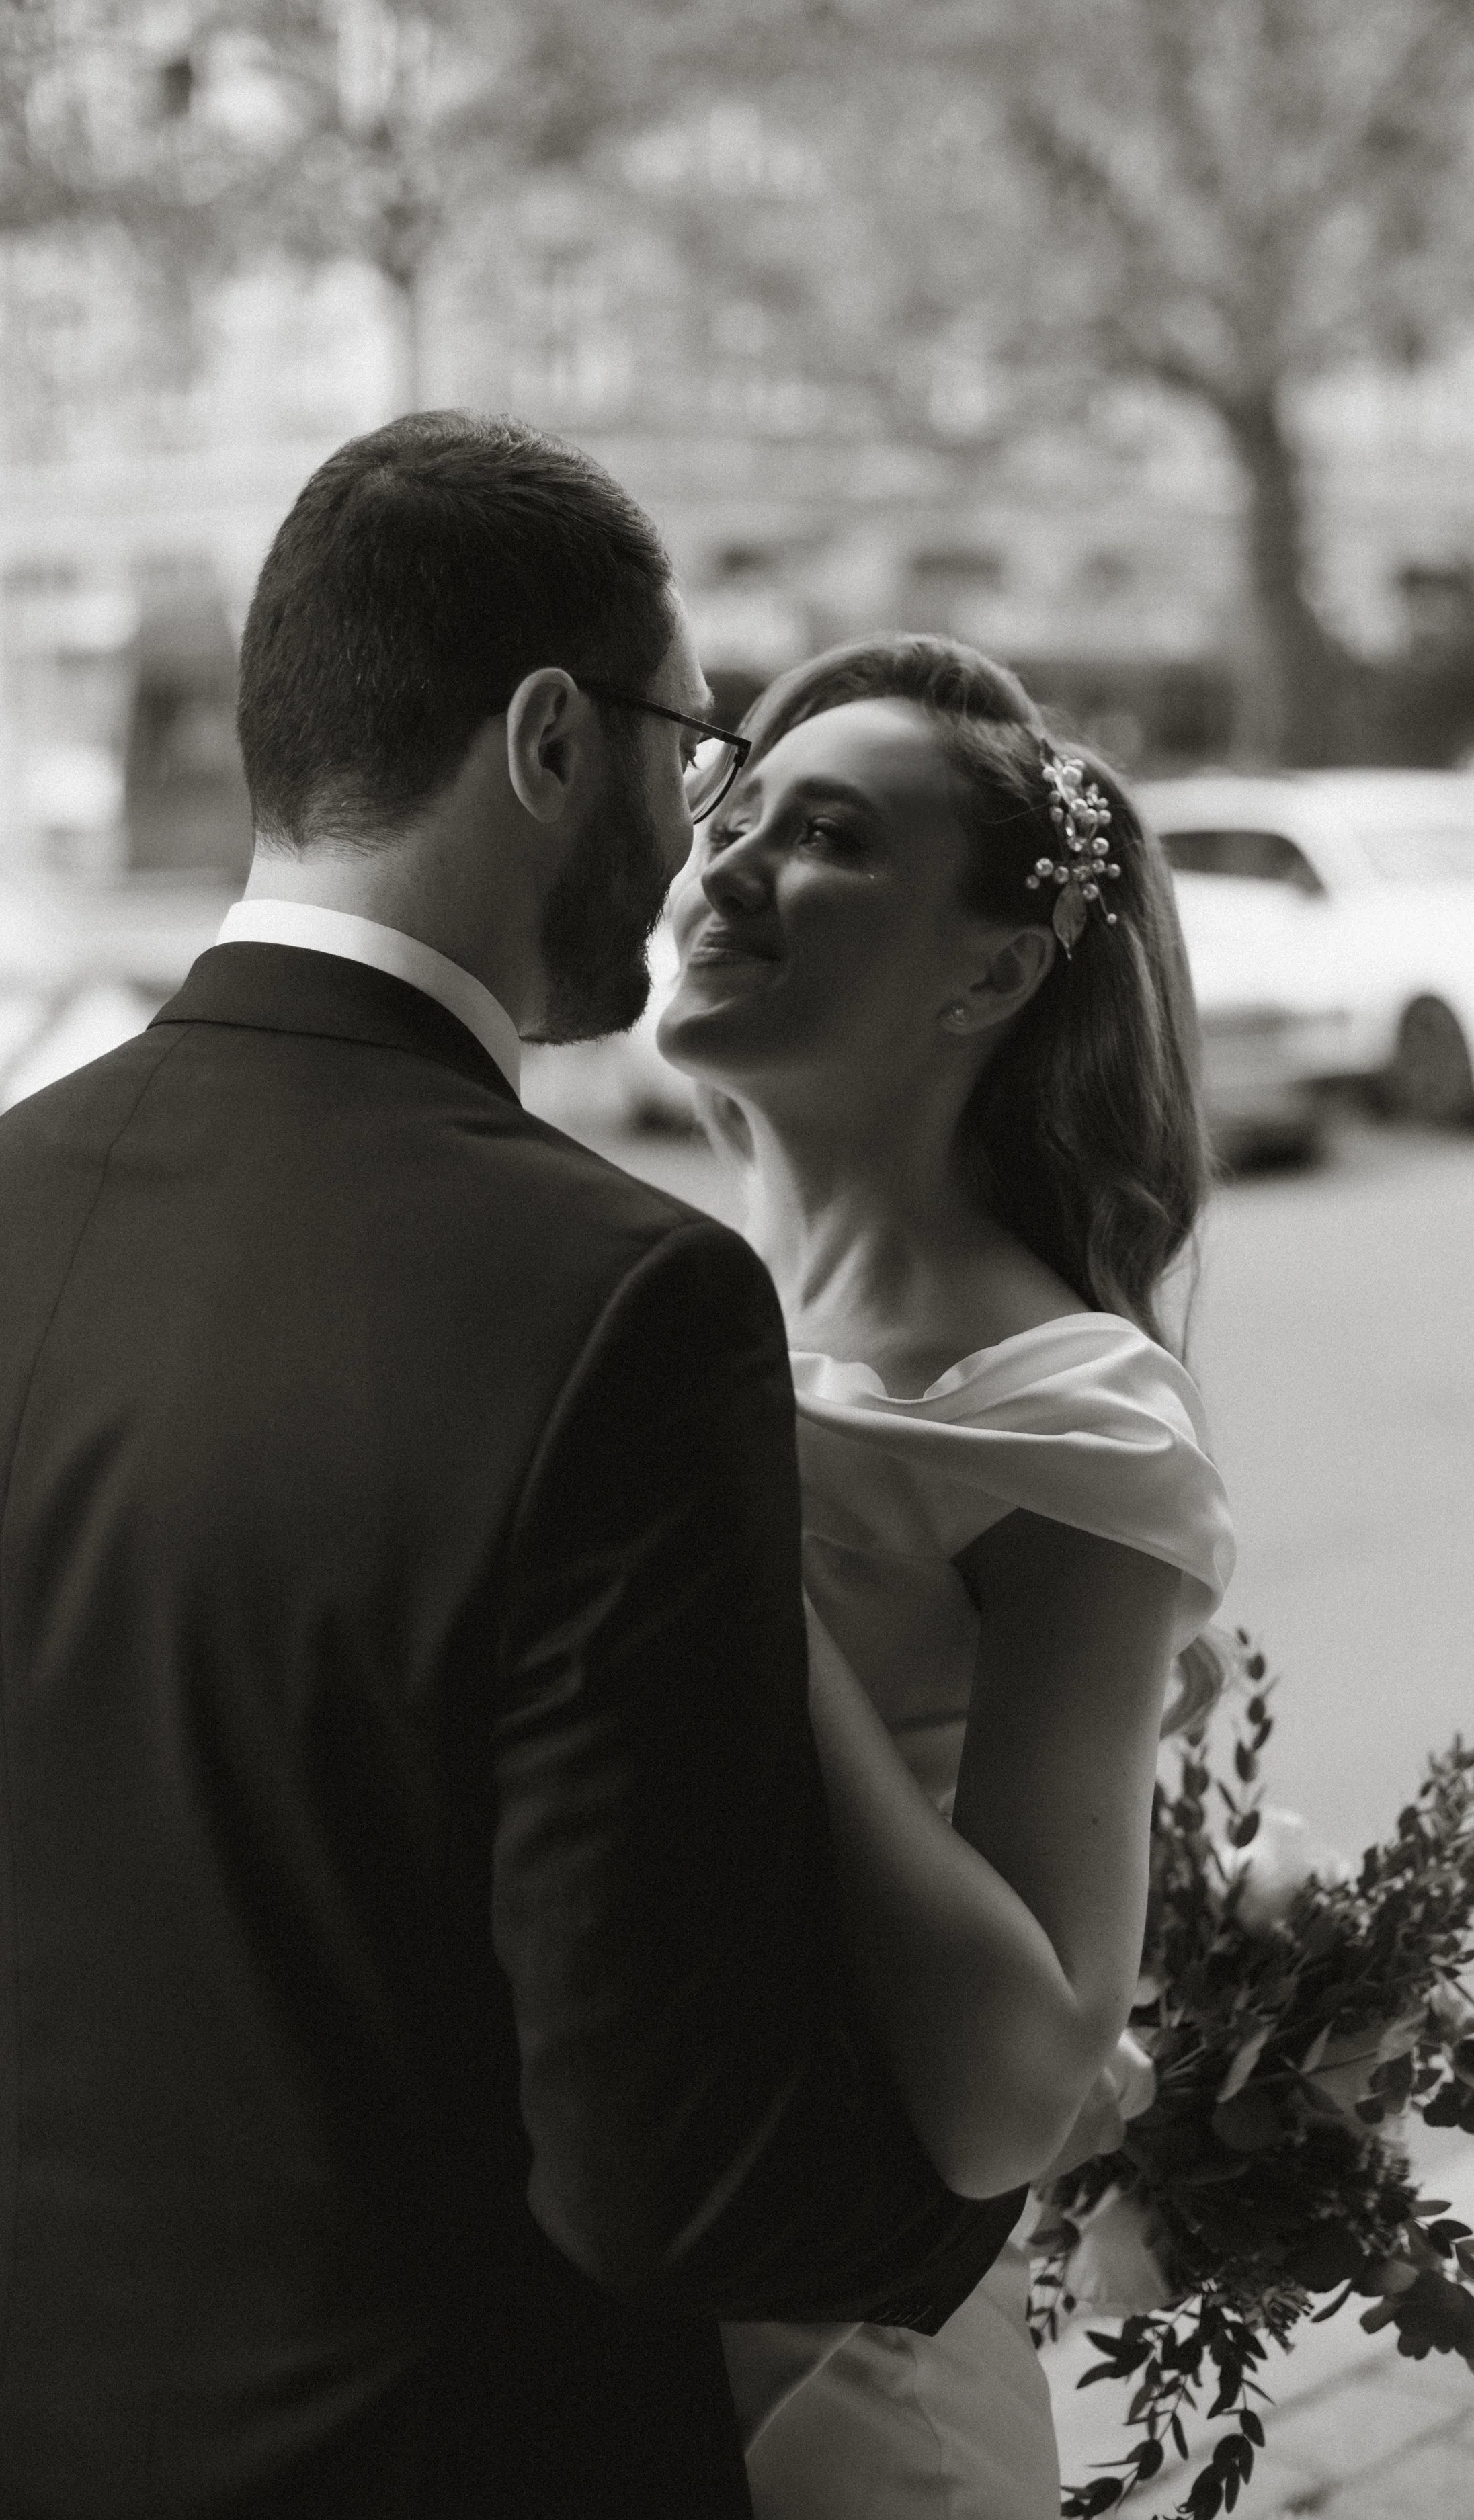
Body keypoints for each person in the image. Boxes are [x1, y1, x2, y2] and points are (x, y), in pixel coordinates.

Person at [0, 420, 1027, 2520]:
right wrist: (1010, 2192)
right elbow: (674, 2168)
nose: (693, 824)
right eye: (691, 742)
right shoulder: (617, 1303)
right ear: (552, 740)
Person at [655, 634, 1237, 2518]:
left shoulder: (1070, 1413)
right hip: (575, 2307)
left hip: (841, 2375)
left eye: (822, 833)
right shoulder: (663, 1308)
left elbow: (1012, 2088)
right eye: (728, 810)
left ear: (991, 968)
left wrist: (710, 1549)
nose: (723, 865)